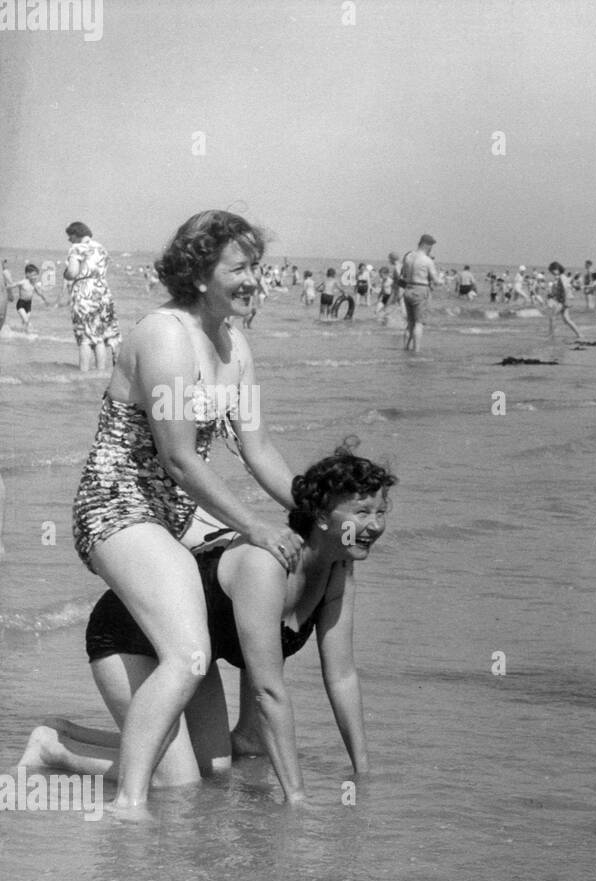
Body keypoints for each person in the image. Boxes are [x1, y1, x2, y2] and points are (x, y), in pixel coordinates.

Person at [69, 209, 305, 814]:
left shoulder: (235, 345)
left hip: (176, 516)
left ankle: (59, 748)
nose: (256, 279)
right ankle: (126, 806)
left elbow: (258, 450)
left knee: (205, 773)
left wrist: (319, 512)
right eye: (241, 267)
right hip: (119, 506)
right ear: (200, 274)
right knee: (190, 655)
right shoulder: (166, 334)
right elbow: (177, 457)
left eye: (259, 267)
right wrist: (253, 524)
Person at [23, 444, 394, 804]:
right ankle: (55, 749)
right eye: (362, 513)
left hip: (192, 659)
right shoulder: (267, 565)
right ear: (323, 516)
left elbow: (342, 676)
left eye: (381, 512)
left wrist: (363, 774)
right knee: (179, 781)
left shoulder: (338, 569)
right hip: (130, 634)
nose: (374, 526)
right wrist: (295, 798)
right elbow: (268, 691)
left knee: (214, 768)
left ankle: (71, 731)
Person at [62, 221, 121, 371]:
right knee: (99, 337)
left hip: (84, 292)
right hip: (102, 291)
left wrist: (66, 273)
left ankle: (83, 374)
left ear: (77, 234)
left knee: (85, 338)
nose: (69, 239)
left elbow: (73, 273)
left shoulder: (76, 248)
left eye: (70, 236)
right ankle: (100, 373)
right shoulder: (101, 248)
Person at [398, 234, 438, 352]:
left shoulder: (409, 256)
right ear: (427, 245)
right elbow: (436, 280)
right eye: (431, 246)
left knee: (410, 322)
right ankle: (416, 350)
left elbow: (404, 275)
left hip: (408, 289)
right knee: (419, 323)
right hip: (420, 290)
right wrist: (441, 280)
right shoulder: (427, 260)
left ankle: (405, 348)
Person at [546, 261, 582, 340]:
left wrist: (564, 302)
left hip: (562, 301)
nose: (552, 273)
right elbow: (561, 289)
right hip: (564, 301)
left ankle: (551, 337)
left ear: (558, 268)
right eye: (552, 272)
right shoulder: (561, 277)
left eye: (553, 271)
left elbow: (565, 289)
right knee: (567, 319)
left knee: (552, 317)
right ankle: (580, 334)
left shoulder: (562, 277)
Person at [12, 263, 50, 330]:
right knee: (26, 320)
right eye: (33, 275)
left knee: (24, 321)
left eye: (36, 275)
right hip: (21, 304)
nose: (35, 277)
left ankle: (22, 333)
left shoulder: (33, 284)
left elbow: (39, 293)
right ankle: (31, 331)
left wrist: (45, 300)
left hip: (28, 305)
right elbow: (13, 285)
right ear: (27, 274)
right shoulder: (23, 282)